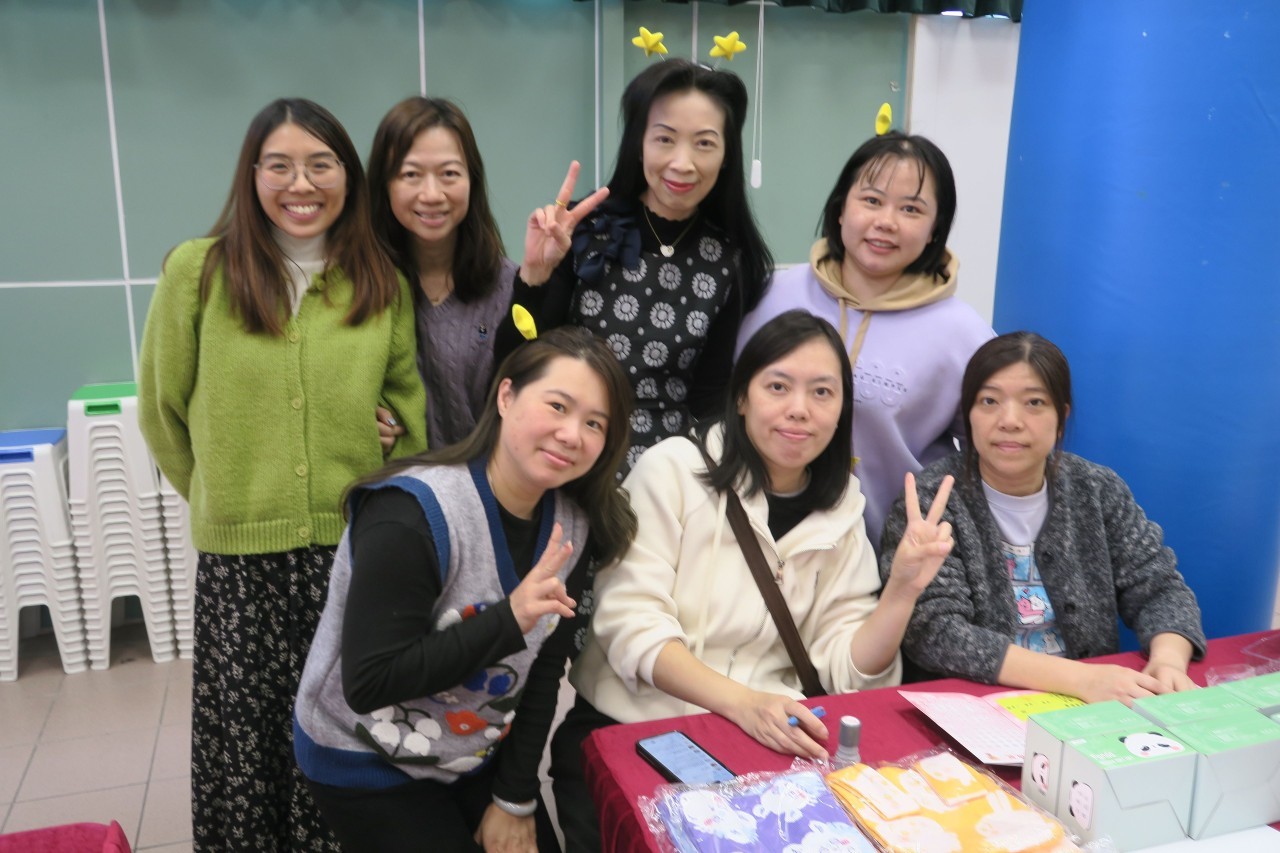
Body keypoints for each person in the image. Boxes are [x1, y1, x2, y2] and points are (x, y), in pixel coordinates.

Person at [137, 98, 427, 851]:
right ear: (252, 175)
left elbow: (409, 415)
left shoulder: (379, 279)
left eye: (320, 164)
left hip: (350, 555)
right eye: (280, 166)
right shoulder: (198, 272)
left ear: (348, 176)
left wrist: (387, 437)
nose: (301, 184)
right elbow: (162, 412)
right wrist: (222, 498)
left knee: (340, 738)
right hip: (241, 566)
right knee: (247, 741)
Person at [553, 310, 956, 850]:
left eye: (822, 392)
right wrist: (743, 703)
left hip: (762, 748)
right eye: (778, 386)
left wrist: (902, 591)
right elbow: (631, 626)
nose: (799, 409)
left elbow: (847, 671)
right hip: (634, 730)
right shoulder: (672, 471)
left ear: (842, 410)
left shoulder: (843, 510)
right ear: (741, 396)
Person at [293, 327, 637, 853]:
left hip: (472, 750)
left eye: (595, 423)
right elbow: (370, 682)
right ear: (506, 395)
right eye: (558, 406)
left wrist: (514, 797)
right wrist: (510, 618)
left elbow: (544, 672)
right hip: (366, 756)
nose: (572, 434)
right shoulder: (411, 513)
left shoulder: (571, 525)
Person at [880, 332, 1206, 703]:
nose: (1010, 421)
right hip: (975, 707)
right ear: (968, 414)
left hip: (1091, 706)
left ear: (1061, 417)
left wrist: (1168, 660)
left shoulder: (1097, 489)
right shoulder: (932, 500)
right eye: (989, 401)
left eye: (1034, 402)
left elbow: (1160, 588)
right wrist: (1081, 679)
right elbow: (935, 632)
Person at [494, 58, 774, 474]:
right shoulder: (582, 228)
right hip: (569, 453)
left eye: (704, 143)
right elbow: (515, 365)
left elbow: (710, 398)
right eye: (665, 139)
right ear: (638, 143)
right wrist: (534, 275)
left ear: (727, 155)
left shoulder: (729, 259)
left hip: (666, 472)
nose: (682, 163)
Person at [736, 131, 992, 550]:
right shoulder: (769, 295)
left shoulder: (964, 334)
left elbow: (993, 453)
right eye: (872, 200)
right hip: (751, 542)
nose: (886, 222)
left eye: (911, 209)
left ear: (935, 229)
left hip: (891, 556)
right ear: (840, 209)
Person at [368, 96, 517, 447]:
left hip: (490, 480)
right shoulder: (358, 287)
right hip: (392, 480)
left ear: (472, 180)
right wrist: (373, 422)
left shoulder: (511, 287)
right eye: (411, 174)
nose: (432, 194)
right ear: (384, 184)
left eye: (449, 174)